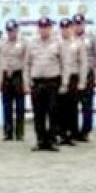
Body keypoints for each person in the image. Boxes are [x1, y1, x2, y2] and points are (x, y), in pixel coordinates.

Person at [25, 18, 63, 152]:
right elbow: (27, 64)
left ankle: (52, 140)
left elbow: (63, 63)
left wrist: (64, 83)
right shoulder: (32, 43)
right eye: (41, 27)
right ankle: (40, 140)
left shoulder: (58, 43)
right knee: (38, 113)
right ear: (38, 29)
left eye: (46, 27)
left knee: (53, 111)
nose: (44, 30)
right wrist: (26, 81)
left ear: (50, 28)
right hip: (37, 82)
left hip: (52, 81)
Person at [57, 19, 87, 146]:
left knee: (72, 107)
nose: (65, 30)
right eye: (63, 28)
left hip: (73, 78)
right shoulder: (57, 42)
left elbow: (83, 63)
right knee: (59, 108)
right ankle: (61, 134)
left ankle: (72, 134)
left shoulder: (78, 43)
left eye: (68, 28)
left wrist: (82, 81)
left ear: (71, 28)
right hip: (59, 78)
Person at [72, 14, 96, 142]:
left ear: (84, 24)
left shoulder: (91, 37)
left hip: (88, 74)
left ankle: (85, 132)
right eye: (76, 24)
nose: (78, 26)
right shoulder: (68, 38)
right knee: (71, 105)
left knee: (87, 105)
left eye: (80, 24)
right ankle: (72, 131)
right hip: (73, 75)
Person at [0, 19, 26, 142]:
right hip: (6, 76)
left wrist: (25, 80)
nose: (11, 33)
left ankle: (19, 133)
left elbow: (26, 62)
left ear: (17, 30)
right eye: (9, 31)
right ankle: (8, 132)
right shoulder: (2, 43)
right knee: (6, 105)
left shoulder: (23, 43)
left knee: (20, 106)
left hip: (18, 75)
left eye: (13, 31)